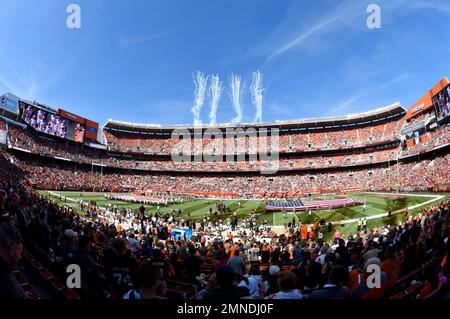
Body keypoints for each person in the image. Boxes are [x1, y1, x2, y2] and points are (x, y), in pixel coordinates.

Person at [0, 222, 29, 299]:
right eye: (19, 253)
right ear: (12, 251)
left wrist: (22, 293)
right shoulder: (9, 288)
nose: (20, 257)